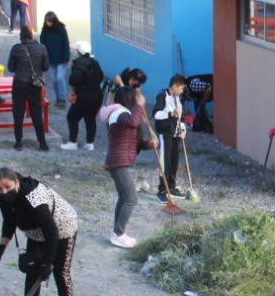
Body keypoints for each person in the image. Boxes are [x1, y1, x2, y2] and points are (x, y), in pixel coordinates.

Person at [0, 167, 77, 296]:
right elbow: (9, 222)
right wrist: (1, 248)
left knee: (61, 273)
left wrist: (47, 263)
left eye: (7, 186)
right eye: (0, 189)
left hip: (62, 229)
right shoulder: (3, 200)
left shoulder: (32, 197)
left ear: (16, 181)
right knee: (32, 271)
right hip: (36, 233)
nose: (4, 192)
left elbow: (51, 232)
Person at [103, 85, 156, 248]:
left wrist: (149, 144)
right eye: (134, 98)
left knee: (124, 198)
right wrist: (140, 106)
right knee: (131, 199)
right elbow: (133, 122)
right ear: (129, 99)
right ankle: (119, 234)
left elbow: (134, 142)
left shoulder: (123, 114)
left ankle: (116, 233)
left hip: (118, 161)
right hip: (118, 162)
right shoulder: (120, 113)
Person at [6, 26, 51, 151]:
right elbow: (46, 67)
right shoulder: (42, 48)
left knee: (18, 112)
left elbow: (11, 68)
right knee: (36, 112)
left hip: (19, 83)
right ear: (31, 35)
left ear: (21, 36)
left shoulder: (16, 49)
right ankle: (42, 142)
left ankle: (18, 141)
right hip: (34, 84)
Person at [62, 41, 105, 152]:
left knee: (72, 117)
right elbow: (101, 77)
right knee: (90, 119)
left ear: (78, 52)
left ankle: (72, 142)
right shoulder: (96, 63)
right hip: (97, 96)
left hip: (83, 96)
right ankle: (90, 143)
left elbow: (74, 80)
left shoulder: (78, 64)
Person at [152, 74, 188, 201]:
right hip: (164, 134)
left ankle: (171, 187)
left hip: (175, 135)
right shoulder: (163, 96)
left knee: (174, 162)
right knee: (164, 162)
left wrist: (183, 130)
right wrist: (170, 113)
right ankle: (162, 189)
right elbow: (156, 114)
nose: (182, 91)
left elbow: (181, 119)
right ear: (175, 86)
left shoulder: (178, 99)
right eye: (181, 88)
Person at [39, 10, 71, 108]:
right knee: (54, 79)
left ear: (54, 21)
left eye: (49, 21)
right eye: (46, 21)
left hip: (61, 59)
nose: (48, 23)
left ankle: (62, 98)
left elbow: (65, 43)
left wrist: (66, 58)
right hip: (50, 60)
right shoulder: (44, 30)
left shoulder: (61, 29)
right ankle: (58, 98)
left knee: (60, 78)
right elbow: (42, 44)